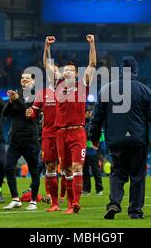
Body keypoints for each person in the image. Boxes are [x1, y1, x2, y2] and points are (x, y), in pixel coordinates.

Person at [89, 56, 151, 220]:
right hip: (138, 140)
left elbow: (96, 118)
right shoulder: (145, 90)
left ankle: (114, 203)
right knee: (137, 175)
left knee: (117, 173)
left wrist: (94, 137)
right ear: (136, 71)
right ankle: (135, 211)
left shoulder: (106, 89)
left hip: (116, 140)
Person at [50, 34, 97, 214]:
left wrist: (92, 43)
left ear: (76, 73)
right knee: (66, 170)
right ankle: (70, 204)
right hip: (61, 132)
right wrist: (47, 47)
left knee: (77, 167)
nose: (68, 72)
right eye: (66, 70)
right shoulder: (58, 86)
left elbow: (92, 64)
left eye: (71, 70)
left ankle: (76, 203)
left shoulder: (82, 85)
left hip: (78, 132)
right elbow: (47, 66)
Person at [25, 36, 62, 212]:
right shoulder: (43, 92)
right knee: (49, 166)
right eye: (51, 70)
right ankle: (51, 198)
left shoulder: (67, 91)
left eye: (56, 70)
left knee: (69, 168)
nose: (53, 72)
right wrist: (46, 46)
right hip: (47, 134)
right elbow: (33, 113)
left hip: (64, 133)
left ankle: (68, 199)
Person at [3, 72, 40, 211]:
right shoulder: (17, 94)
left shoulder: (37, 94)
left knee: (34, 169)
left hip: (30, 138)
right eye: (22, 78)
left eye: (27, 78)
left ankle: (33, 201)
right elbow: (5, 114)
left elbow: (30, 111)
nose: (24, 80)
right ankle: (15, 199)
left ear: (33, 81)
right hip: (15, 138)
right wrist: (10, 101)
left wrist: (17, 99)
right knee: (8, 166)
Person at [83, 107, 103, 196]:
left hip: (93, 150)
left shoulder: (95, 123)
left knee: (95, 170)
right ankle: (87, 189)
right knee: (85, 170)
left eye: (87, 112)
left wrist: (99, 149)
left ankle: (99, 189)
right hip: (84, 150)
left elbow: (101, 136)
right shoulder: (82, 123)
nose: (86, 114)